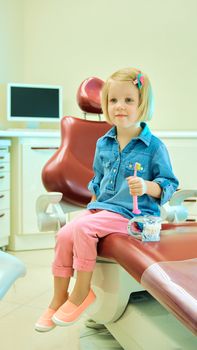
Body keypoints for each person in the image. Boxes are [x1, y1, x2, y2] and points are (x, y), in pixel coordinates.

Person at [35, 67, 179, 332]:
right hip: (104, 210)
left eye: (128, 100)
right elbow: (97, 184)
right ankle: (57, 299)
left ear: (142, 105)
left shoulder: (154, 147)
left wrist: (148, 186)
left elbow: (169, 185)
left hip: (133, 216)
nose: (119, 107)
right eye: (113, 100)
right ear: (105, 104)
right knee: (66, 233)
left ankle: (81, 293)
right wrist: (91, 210)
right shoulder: (104, 143)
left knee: (82, 228)